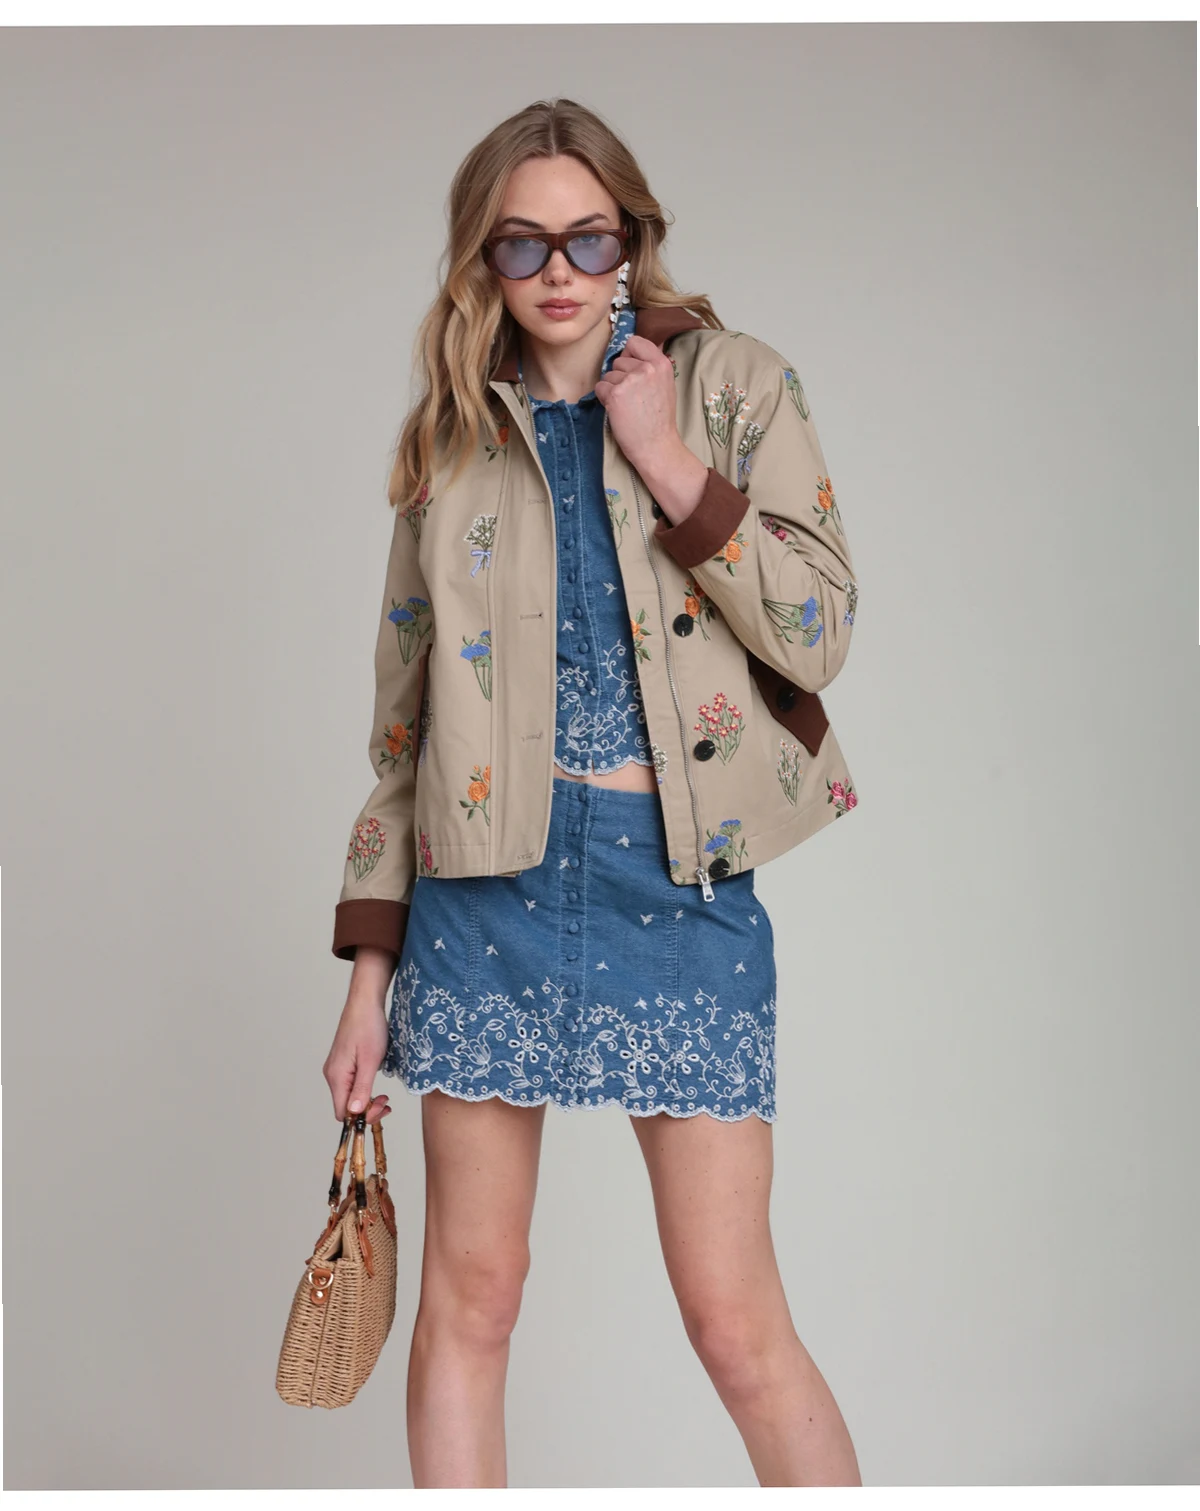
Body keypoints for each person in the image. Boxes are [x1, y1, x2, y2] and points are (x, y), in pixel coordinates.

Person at [322, 97, 862, 1489]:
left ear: (633, 240)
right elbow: (402, 733)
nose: (558, 270)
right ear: (481, 259)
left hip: (674, 885)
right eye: (521, 244)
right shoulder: (451, 437)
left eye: (588, 238)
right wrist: (370, 977)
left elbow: (817, 632)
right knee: (473, 1302)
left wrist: (666, 455)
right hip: (482, 897)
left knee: (735, 1324)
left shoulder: (736, 386)